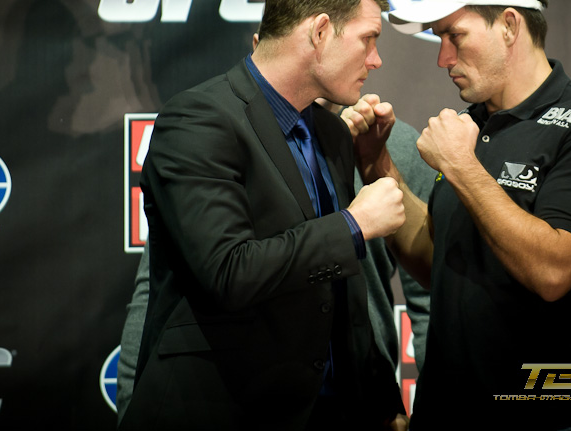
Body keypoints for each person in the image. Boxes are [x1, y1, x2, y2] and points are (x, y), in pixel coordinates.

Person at [344, 0, 571, 430]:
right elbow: (440, 259)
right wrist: (379, 166)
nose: (442, 58)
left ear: (508, 24)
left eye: (454, 36)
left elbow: (553, 271)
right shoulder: (475, 124)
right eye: (439, 38)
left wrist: (461, 166)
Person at [120, 0, 408, 430]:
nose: (376, 60)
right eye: (369, 40)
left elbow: (340, 296)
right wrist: (353, 225)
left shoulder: (332, 134)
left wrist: (382, 397)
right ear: (319, 32)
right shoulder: (198, 120)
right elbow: (228, 272)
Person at [115, 116, 435, 422]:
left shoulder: (395, 144)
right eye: (365, 52)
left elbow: (430, 301)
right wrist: (134, 402)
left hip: (359, 405)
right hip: (241, 402)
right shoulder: (225, 140)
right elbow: (157, 290)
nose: (373, 60)